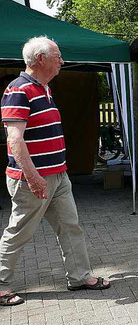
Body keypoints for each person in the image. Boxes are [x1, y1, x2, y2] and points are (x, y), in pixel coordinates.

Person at [0, 37, 110, 307]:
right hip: (34, 179)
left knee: (70, 226)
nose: (62, 61)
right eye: (57, 56)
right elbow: (15, 140)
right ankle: (1, 285)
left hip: (58, 176)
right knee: (19, 231)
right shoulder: (19, 90)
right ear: (40, 59)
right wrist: (33, 177)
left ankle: (79, 277)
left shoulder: (44, 89)